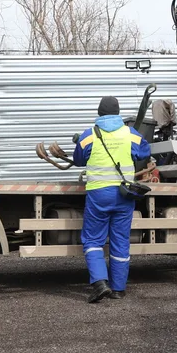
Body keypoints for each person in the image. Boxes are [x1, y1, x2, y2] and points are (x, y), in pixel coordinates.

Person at [72, 96, 151, 303]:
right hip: (124, 194)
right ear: (117, 113)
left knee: (92, 239)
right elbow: (145, 152)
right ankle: (118, 288)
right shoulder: (131, 134)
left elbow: (78, 160)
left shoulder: (89, 135)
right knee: (120, 240)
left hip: (99, 194)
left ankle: (100, 284)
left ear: (99, 113)